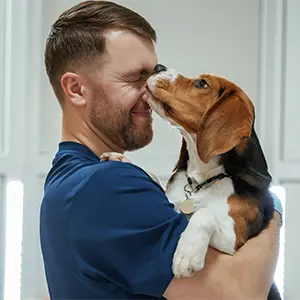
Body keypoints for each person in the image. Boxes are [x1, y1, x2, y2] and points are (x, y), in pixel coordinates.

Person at [39, 1, 283, 299]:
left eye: (150, 73)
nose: (150, 88)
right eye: (134, 77)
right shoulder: (107, 185)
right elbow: (242, 293)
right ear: (76, 89)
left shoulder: (69, 178)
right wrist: (271, 212)